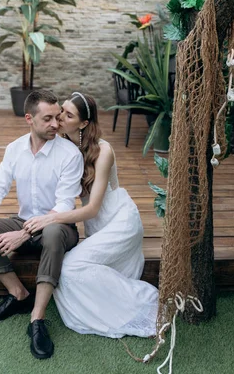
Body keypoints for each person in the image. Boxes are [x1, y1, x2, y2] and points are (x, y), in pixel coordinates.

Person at [23, 92, 159, 338]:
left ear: (84, 123)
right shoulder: (64, 146)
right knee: (68, 268)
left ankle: (141, 304)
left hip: (119, 222)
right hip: (96, 226)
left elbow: (93, 207)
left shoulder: (103, 150)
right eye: (61, 110)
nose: (60, 117)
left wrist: (49, 219)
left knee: (71, 267)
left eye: (68, 114)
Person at [0, 89, 83, 360]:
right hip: (24, 222)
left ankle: (37, 318)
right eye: (47, 119)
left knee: (53, 231)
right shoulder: (14, 149)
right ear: (28, 118)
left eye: (57, 117)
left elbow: (65, 205)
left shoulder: (69, 154)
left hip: (59, 226)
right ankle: (18, 294)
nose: (55, 124)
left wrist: (22, 234)